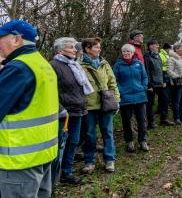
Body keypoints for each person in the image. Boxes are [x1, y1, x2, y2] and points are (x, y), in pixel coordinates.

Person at [0, 20, 58, 198]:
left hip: (18, 162)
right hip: (43, 155)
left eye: (1, 38)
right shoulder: (41, 64)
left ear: (16, 39)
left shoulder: (18, 68)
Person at [50, 37, 94, 186]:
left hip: (79, 109)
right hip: (65, 113)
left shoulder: (74, 65)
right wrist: (61, 109)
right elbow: (51, 92)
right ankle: (53, 177)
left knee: (73, 142)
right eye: (71, 47)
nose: (75, 49)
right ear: (60, 50)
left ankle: (67, 173)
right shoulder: (54, 66)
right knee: (61, 144)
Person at [80, 37, 120, 174]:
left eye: (99, 47)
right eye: (96, 47)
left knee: (107, 133)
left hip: (106, 104)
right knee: (90, 134)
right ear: (87, 49)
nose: (99, 49)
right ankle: (89, 161)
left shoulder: (104, 63)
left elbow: (112, 82)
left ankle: (110, 160)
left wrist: (117, 99)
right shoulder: (79, 65)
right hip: (89, 106)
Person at [113, 44, 149, 152]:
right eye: (124, 51)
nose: (126, 53)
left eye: (128, 51)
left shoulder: (138, 63)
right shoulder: (118, 65)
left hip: (140, 96)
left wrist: (143, 87)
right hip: (125, 97)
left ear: (133, 53)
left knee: (142, 120)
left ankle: (143, 141)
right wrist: (122, 91)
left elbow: (144, 77)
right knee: (127, 121)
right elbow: (114, 80)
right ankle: (129, 142)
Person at [144, 40, 174, 128]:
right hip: (152, 85)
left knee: (165, 100)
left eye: (157, 45)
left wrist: (164, 80)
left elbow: (161, 70)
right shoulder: (147, 57)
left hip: (161, 83)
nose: (158, 46)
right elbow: (147, 71)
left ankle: (164, 119)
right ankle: (150, 122)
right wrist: (149, 84)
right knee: (150, 104)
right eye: (155, 45)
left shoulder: (158, 56)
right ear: (150, 46)